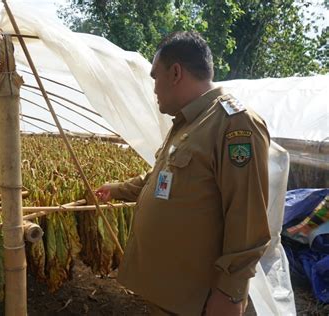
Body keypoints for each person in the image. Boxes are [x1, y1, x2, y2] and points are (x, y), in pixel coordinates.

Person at [95, 31, 271, 316]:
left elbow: (247, 214)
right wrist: (117, 188)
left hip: (198, 301)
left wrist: (230, 292)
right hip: (172, 293)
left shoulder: (234, 123)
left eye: (155, 77)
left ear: (175, 72)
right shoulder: (188, 124)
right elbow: (161, 178)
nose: (153, 89)